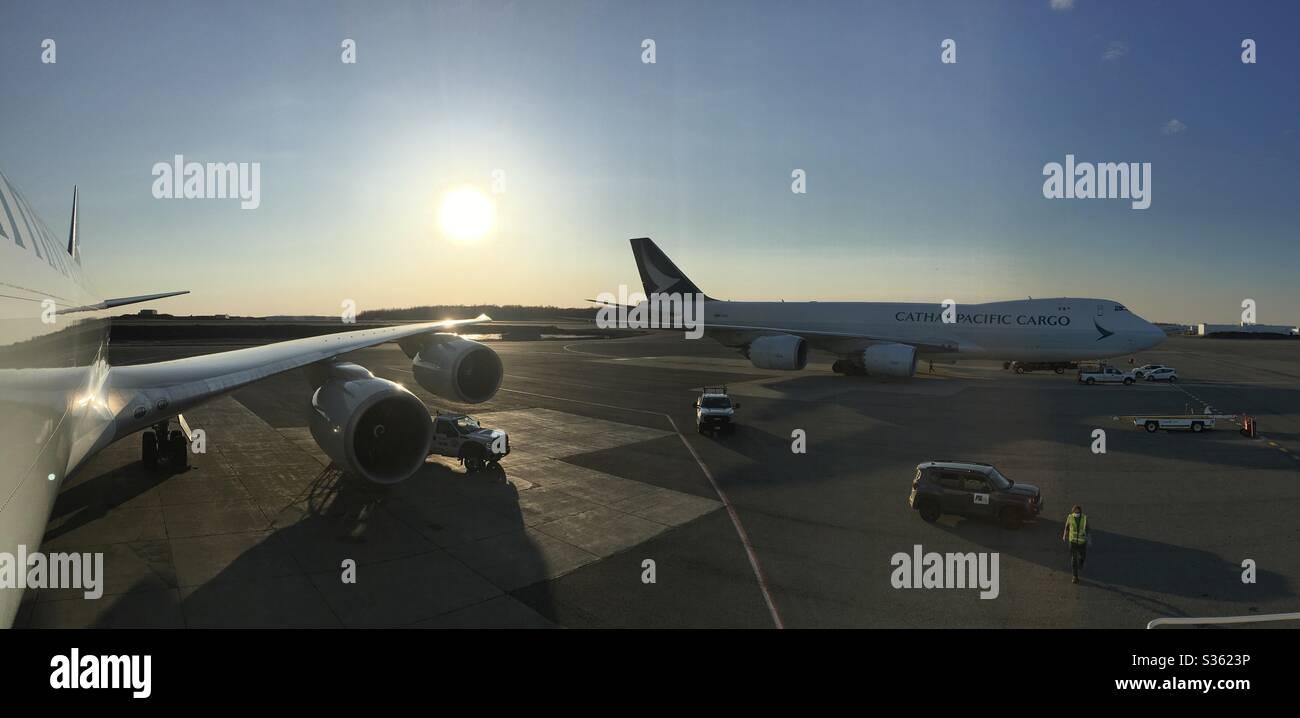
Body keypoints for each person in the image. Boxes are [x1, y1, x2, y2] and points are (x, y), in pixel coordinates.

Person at [1061, 505, 1088, 584]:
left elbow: (1088, 528)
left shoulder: (1084, 518)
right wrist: (1064, 534)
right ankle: (1075, 577)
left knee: (1083, 556)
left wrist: (1088, 537)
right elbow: (1067, 526)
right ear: (1073, 511)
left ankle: (1081, 562)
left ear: (1080, 511)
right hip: (1072, 541)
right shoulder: (1070, 517)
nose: (1076, 513)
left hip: (1082, 542)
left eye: (1078, 511)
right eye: (1075, 511)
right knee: (1073, 559)